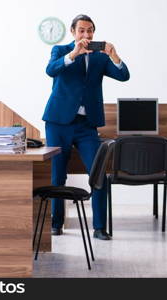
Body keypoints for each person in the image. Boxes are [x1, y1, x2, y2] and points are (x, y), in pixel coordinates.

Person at [43, 14, 130, 240]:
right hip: (58, 122)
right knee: (57, 176)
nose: (86, 35)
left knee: (98, 173)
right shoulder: (61, 51)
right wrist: (74, 54)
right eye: (81, 30)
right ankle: (56, 223)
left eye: (90, 30)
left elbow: (124, 76)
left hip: (86, 125)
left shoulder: (100, 58)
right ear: (73, 32)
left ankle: (99, 227)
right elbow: (50, 70)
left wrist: (114, 55)